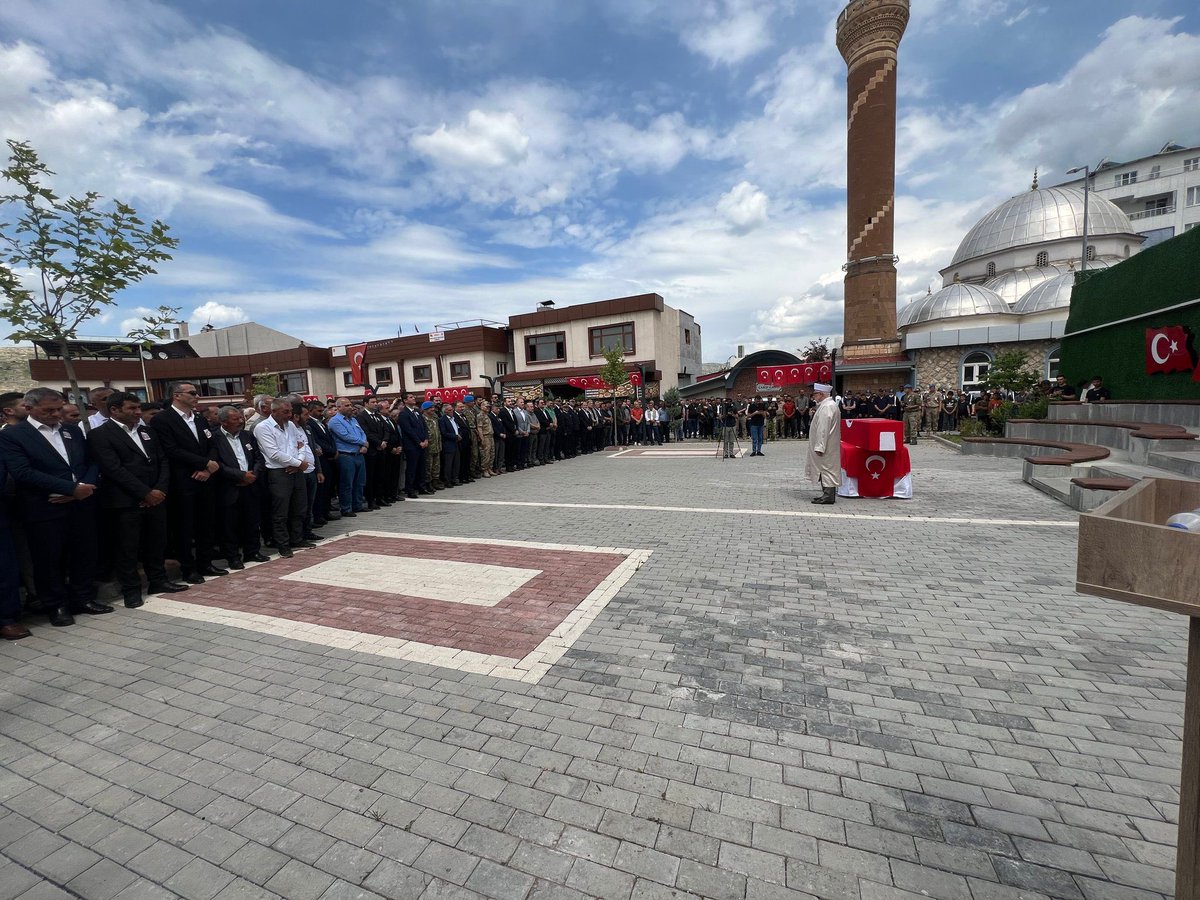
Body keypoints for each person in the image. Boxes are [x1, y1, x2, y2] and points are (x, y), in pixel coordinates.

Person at [0, 388, 110, 626]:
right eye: (49, 410)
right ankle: (56, 605)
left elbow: (91, 461)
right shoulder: (14, 435)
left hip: (81, 502)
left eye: (59, 408)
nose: (56, 414)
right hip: (45, 506)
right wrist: (70, 489)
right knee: (49, 559)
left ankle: (82, 598)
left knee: (84, 552)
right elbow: (22, 472)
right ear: (29, 409)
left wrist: (84, 486)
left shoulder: (71, 431)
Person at [90, 391, 189, 607]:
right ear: (114, 410)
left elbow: (162, 461)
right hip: (125, 502)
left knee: (156, 543)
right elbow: (113, 469)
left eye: (138, 408)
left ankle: (158, 581)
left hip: (156, 498)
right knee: (128, 548)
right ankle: (131, 591)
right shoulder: (100, 434)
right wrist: (145, 493)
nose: (137, 412)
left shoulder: (148, 431)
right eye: (131, 408)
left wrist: (159, 490)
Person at [151, 381, 227, 584]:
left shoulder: (200, 419)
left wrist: (208, 466)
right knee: (184, 527)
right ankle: (188, 568)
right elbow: (171, 450)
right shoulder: (163, 420)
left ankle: (205, 563)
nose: (197, 396)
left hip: (205, 478)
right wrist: (203, 463)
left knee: (206, 524)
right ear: (177, 395)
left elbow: (211, 443)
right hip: (183, 480)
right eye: (192, 393)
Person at [254, 398, 315, 559]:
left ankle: (297, 538)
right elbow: (273, 453)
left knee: (299, 507)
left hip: (296, 470)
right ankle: (283, 544)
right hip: (279, 473)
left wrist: (299, 463)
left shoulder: (291, 426)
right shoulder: (263, 428)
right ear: (273, 411)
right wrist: (297, 462)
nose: (289, 415)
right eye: (285, 412)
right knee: (281, 511)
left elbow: (301, 444)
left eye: (290, 411)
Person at [212, 405, 269, 569]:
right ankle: (233, 557)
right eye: (235, 419)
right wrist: (240, 475)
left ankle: (252, 552)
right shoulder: (215, 438)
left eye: (241, 418)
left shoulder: (247, 435)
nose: (240, 421)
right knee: (230, 525)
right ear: (223, 422)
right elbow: (217, 464)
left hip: (251, 485)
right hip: (230, 487)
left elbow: (259, 458)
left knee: (252, 521)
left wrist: (253, 475)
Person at [328, 397, 368, 517]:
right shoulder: (335, 421)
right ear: (338, 407)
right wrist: (362, 442)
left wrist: (364, 443)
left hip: (358, 454)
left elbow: (362, 432)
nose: (350, 407)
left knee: (360, 482)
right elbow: (345, 436)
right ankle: (346, 508)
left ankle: (358, 505)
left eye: (350, 405)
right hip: (345, 455)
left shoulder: (353, 420)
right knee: (347, 483)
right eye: (347, 405)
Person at [806, 383, 841, 505]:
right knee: (825, 468)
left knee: (827, 468)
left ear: (821, 394)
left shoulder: (827, 407)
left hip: (826, 444)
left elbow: (823, 428)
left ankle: (828, 496)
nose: (813, 397)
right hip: (829, 443)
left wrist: (820, 445)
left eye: (815, 394)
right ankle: (826, 494)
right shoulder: (828, 405)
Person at [397, 393, 429, 497]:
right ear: (405, 401)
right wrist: (419, 442)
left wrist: (426, 439)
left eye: (413, 396)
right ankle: (410, 489)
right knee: (412, 468)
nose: (414, 398)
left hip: (422, 444)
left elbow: (424, 426)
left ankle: (421, 486)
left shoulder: (417, 412)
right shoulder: (403, 414)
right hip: (412, 445)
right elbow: (408, 430)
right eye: (411, 397)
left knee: (422, 467)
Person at [439, 401, 462, 485]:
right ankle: (447, 480)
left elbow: (458, 428)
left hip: (456, 443)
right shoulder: (442, 420)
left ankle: (455, 478)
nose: (451, 411)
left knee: (456, 462)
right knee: (448, 464)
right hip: (448, 444)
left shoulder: (454, 419)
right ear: (445, 411)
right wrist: (455, 436)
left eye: (452, 410)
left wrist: (459, 435)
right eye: (449, 410)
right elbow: (444, 433)